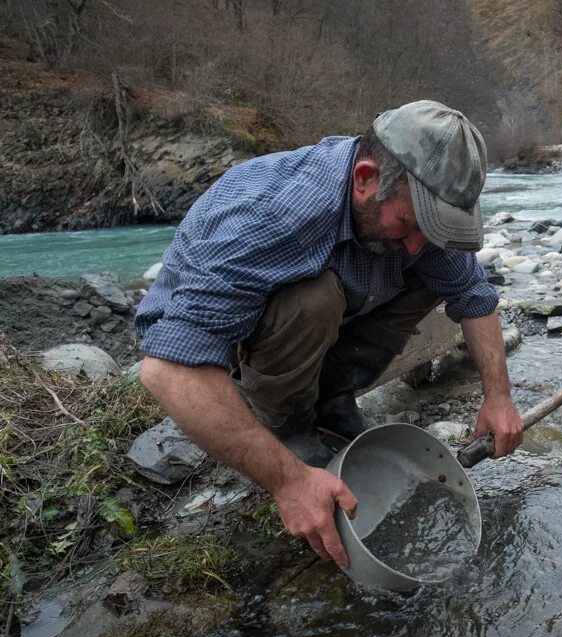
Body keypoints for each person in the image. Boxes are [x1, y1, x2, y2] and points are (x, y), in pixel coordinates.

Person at [135, 100, 524, 567]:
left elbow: (473, 296)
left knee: (430, 270)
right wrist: (289, 481)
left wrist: (499, 398)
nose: (419, 242)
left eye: (433, 229)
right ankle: (290, 424)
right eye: (409, 224)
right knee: (313, 296)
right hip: (231, 334)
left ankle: (332, 401)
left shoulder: (409, 210)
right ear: (365, 180)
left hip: (341, 310)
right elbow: (168, 371)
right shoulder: (272, 217)